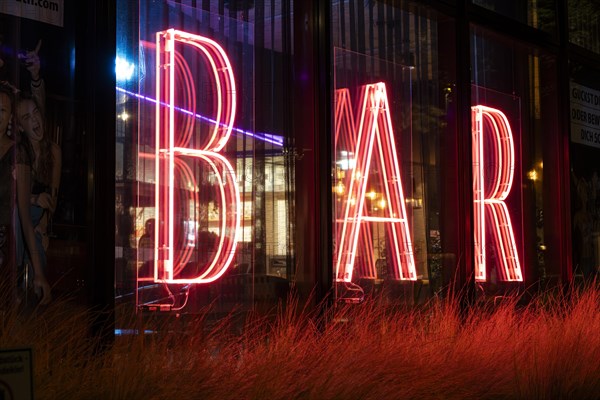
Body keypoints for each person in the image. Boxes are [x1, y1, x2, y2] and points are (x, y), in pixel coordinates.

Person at [0, 83, 51, 306]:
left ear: (11, 117)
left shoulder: (16, 153)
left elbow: (23, 214)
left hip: (3, 246)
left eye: (2, 110)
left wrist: (38, 272)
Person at [14, 92, 61, 296]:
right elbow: (16, 201)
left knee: (37, 244)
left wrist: (44, 226)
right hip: (18, 215)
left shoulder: (53, 151)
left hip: (37, 219)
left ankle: (34, 292)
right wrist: (35, 199)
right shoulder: (19, 152)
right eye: (27, 117)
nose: (34, 120)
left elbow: (54, 195)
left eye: (36, 113)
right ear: (20, 127)